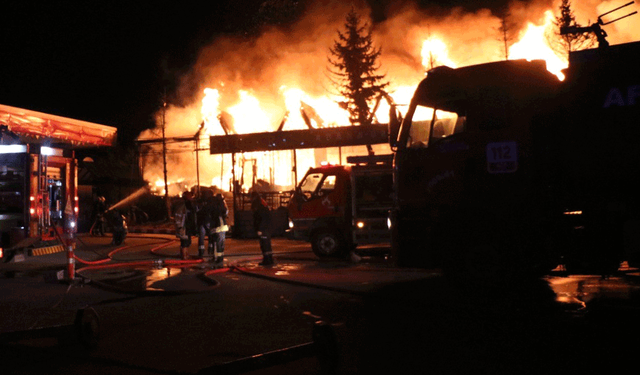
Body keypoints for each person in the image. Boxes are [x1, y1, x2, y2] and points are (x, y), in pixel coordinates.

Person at [251, 191, 273, 266]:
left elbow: (261, 218)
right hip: (267, 227)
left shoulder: (259, 205)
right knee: (267, 244)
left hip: (263, 228)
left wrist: (260, 229)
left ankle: (267, 260)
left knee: (264, 244)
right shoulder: (262, 202)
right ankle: (270, 259)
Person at [174, 190, 197, 260]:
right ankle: (185, 257)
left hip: (187, 227)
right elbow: (178, 217)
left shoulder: (188, 204)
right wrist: (180, 226)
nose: (192, 197)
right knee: (185, 243)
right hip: (183, 227)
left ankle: (185, 255)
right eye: (190, 196)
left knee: (186, 242)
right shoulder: (182, 206)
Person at [210, 193, 229, 263]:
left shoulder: (212, 205)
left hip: (215, 227)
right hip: (221, 227)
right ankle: (219, 258)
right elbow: (226, 212)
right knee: (220, 243)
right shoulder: (222, 205)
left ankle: (216, 257)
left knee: (215, 243)